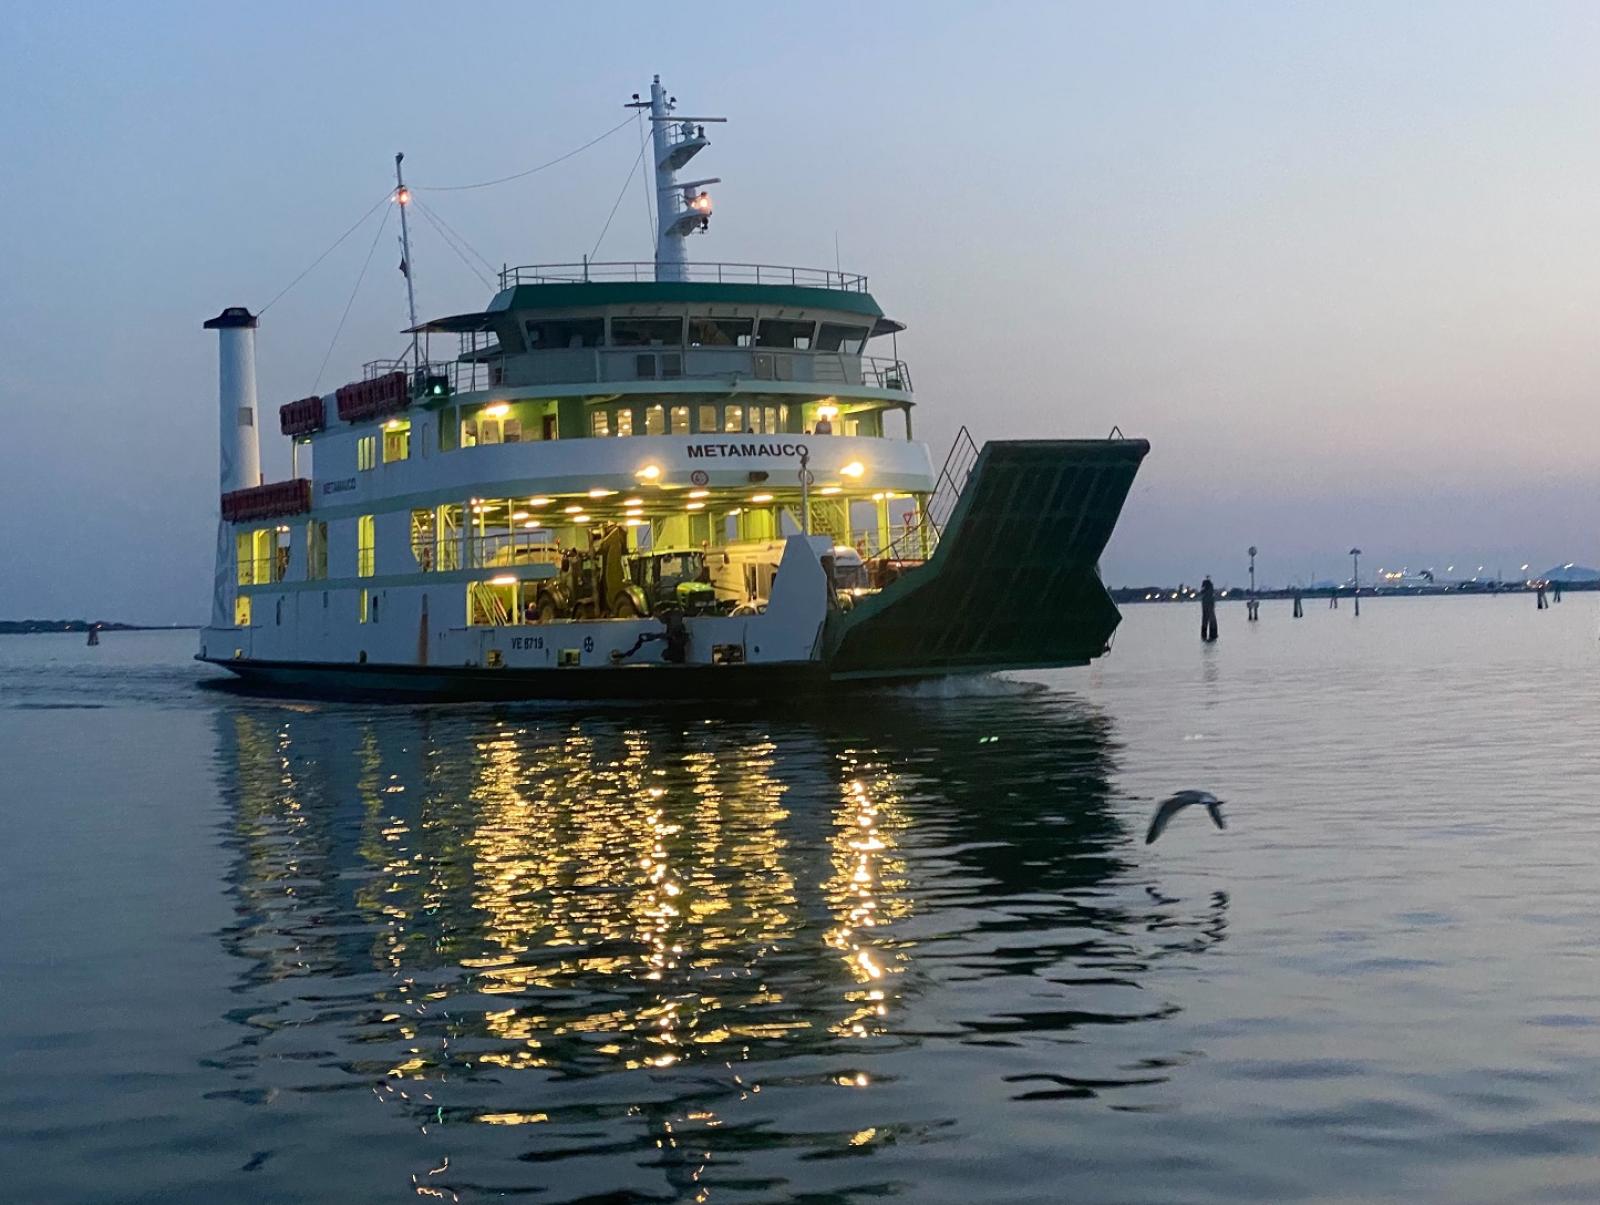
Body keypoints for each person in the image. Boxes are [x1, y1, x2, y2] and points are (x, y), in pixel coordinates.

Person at [1200, 575, 1218, 643]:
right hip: (1207, 605)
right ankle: (1211, 635)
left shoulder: (1207, 591)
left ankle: (1207, 636)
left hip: (1207, 605)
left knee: (1208, 620)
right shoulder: (1207, 591)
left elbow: (1202, 592)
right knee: (1210, 620)